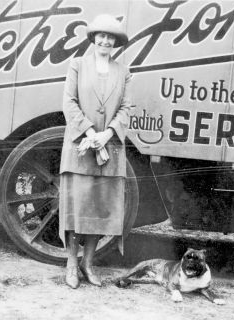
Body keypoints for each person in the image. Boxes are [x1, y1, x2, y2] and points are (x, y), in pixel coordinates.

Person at [59, 13, 134, 289]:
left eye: (110, 37)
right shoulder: (77, 65)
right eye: (100, 36)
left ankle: (88, 264)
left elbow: (126, 108)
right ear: (93, 38)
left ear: (115, 42)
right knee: (76, 208)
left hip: (109, 150)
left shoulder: (123, 72)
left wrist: (108, 134)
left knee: (99, 209)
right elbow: (69, 102)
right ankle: (70, 264)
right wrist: (91, 134)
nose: (104, 41)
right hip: (80, 148)